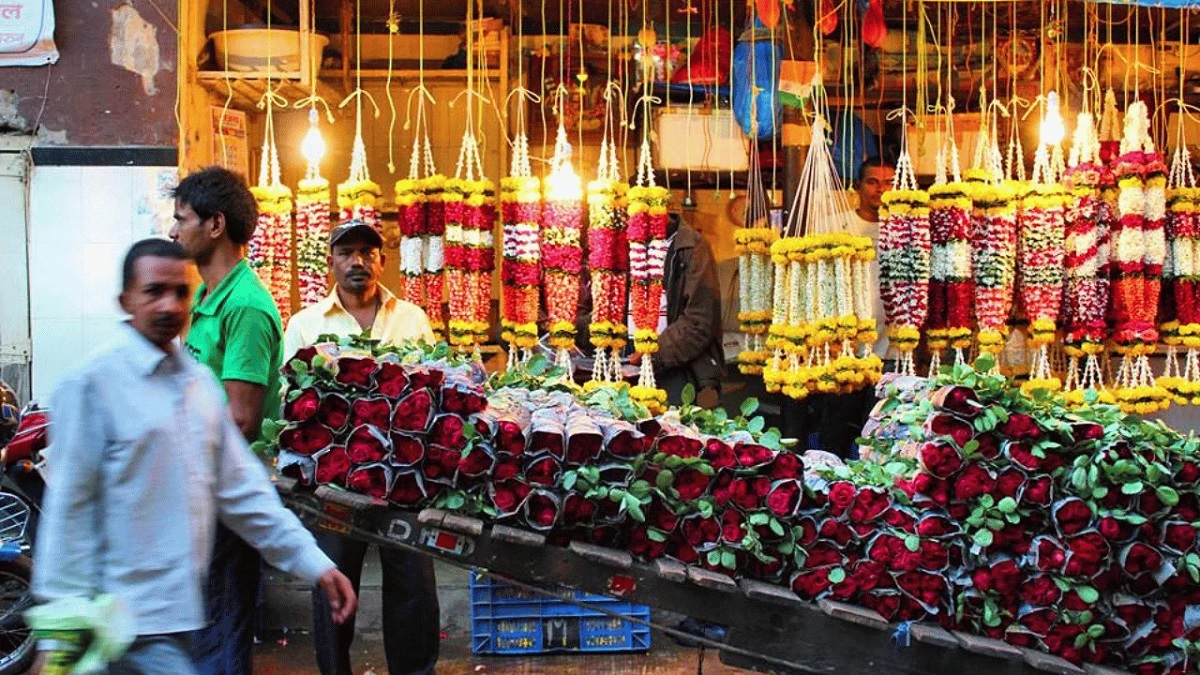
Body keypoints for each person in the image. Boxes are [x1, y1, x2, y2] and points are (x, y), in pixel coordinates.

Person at [31, 238, 357, 675]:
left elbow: (244, 493)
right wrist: (59, 633)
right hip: (109, 629)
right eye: (153, 292)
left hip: (179, 620)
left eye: (180, 292)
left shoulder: (199, 386)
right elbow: (70, 508)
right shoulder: (93, 385)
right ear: (125, 300)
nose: (168, 305)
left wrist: (314, 563)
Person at [284, 218, 441, 675]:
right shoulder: (305, 325)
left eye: (367, 253)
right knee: (334, 586)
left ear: (383, 260)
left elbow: (433, 396)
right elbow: (290, 404)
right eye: (347, 252)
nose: (358, 262)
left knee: (413, 590)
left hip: (405, 481)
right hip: (334, 485)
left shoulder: (412, 319)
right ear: (331, 262)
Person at [169, 166, 282, 675]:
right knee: (204, 624)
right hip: (200, 485)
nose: (174, 231)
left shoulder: (247, 307)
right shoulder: (208, 299)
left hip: (227, 490)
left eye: (182, 219)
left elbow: (241, 421)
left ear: (215, 225)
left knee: (221, 626)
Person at [630, 211, 724, 408]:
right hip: (629, 364)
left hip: (680, 366)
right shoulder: (625, 243)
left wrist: (652, 353)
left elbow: (700, 321)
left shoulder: (692, 246)